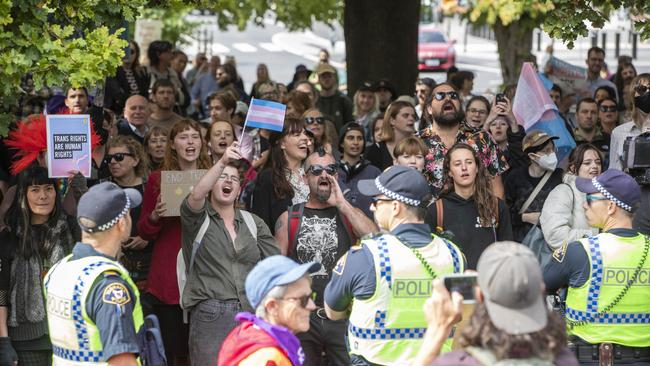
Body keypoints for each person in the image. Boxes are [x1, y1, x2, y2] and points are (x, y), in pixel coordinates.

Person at [324, 166, 466, 365]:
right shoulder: (454, 255)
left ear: (396, 207)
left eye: (377, 201)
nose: (372, 207)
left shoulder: (367, 256)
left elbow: (332, 312)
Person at [274, 148, 377, 365]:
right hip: (302, 317)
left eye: (330, 170)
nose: (324, 175)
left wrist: (342, 203)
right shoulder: (289, 217)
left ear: (336, 176)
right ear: (305, 177)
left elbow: (375, 239)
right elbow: (277, 274)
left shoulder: (349, 213)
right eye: (316, 170)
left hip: (341, 316)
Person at [183, 142, 279, 364]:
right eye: (222, 177)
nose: (228, 181)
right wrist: (223, 161)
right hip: (210, 315)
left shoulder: (253, 223)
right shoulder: (197, 219)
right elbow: (196, 195)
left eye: (234, 179)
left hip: (250, 313)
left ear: (239, 190)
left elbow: (275, 265)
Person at [543, 170, 650, 365]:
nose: (584, 204)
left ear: (610, 206)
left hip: (589, 360)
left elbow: (541, 285)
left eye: (590, 198)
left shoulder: (580, 251)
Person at [414, 242, 579, 366]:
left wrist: (438, 329)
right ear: (541, 289)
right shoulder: (563, 360)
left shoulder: (459, 362)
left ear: (479, 295)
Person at [43, 182, 145, 365]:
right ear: (121, 223)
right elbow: (121, 361)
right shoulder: (109, 287)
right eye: (128, 214)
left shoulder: (59, 270)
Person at [137, 119, 212, 365]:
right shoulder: (158, 180)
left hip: (205, 274)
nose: (190, 141)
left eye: (195, 136)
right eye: (183, 137)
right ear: (172, 145)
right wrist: (156, 215)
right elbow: (144, 232)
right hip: (168, 278)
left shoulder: (214, 178)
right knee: (172, 350)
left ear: (202, 143)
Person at [0, 166, 79, 366]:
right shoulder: (9, 237)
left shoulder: (70, 228)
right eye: (35, 190)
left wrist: (81, 192)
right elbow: (1, 292)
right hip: (26, 342)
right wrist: (4, 341)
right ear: (23, 196)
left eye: (48, 189)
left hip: (70, 337)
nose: (43, 196)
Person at [218, 255, 321, 365]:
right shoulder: (267, 358)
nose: (312, 306)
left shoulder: (249, 334)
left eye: (311, 297)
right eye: (303, 300)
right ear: (272, 306)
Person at [427, 143, 513, 269]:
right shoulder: (436, 210)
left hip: (489, 282)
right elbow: (429, 256)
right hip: (452, 284)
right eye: (457, 164)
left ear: (477, 168)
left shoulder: (496, 207)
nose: (464, 168)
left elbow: (509, 252)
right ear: (449, 172)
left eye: (469, 162)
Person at [419, 83, 508, 198]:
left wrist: (496, 215)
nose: (448, 98)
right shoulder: (417, 142)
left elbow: (496, 188)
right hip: (430, 214)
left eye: (453, 95)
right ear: (429, 109)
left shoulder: (482, 138)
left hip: (476, 214)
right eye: (440, 96)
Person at [103, 136, 152, 291]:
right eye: (109, 158)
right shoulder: (102, 188)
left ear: (135, 160)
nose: (112, 162)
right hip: (113, 270)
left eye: (119, 157)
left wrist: (148, 238)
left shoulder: (151, 187)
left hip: (148, 269)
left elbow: (164, 223)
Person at [251, 117, 311, 233]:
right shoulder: (268, 178)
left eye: (305, 134)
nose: (305, 138)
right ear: (282, 143)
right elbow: (261, 224)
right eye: (297, 134)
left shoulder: (315, 173)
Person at [540, 143, 602, 250]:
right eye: (587, 163)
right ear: (573, 168)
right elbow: (555, 236)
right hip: (575, 262)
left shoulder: (605, 192)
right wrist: (597, 237)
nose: (594, 166)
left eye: (598, 162)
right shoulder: (562, 192)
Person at [505, 130, 564, 242]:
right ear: (532, 156)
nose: (552, 154)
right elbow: (504, 214)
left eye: (553, 149)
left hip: (551, 242)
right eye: (546, 151)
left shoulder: (560, 176)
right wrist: (526, 217)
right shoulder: (515, 178)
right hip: (522, 243)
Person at [337, 122, 381, 218]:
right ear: (341, 143)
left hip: (367, 229)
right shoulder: (332, 171)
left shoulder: (374, 172)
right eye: (350, 138)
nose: (356, 142)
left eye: (360, 138)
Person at [609, 73, 650, 171]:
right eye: (642, 89)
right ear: (633, 95)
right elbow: (614, 171)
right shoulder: (618, 132)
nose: (648, 93)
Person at [365, 100, 417, 171]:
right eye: (405, 115)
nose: (411, 119)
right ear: (392, 120)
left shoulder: (419, 147)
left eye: (413, 116)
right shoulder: (374, 150)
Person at [104, 40, 150, 116]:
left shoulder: (141, 72)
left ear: (136, 54)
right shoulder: (111, 71)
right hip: (117, 113)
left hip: (140, 112)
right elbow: (118, 95)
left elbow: (145, 94)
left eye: (131, 51)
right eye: (125, 51)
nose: (128, 54)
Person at [207, 91, 254, 162]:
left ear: (230, 110)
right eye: (211, 109)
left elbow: (244, 163)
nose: (212, 113)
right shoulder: (204, 132)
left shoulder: (243, 136)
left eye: (217, 108)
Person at [147, 40, 189, 112]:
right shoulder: (146, 73)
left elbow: (184, 99)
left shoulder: (173, 74)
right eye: (168, 52)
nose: (171, 56)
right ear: (158, 54)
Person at [315, 63, 353, 131]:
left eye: (329, 76)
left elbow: (349, 123)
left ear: (334, 78)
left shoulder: (343, 100)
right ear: (319, 79)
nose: (327, 79)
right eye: (323, 77)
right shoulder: (315, 101)